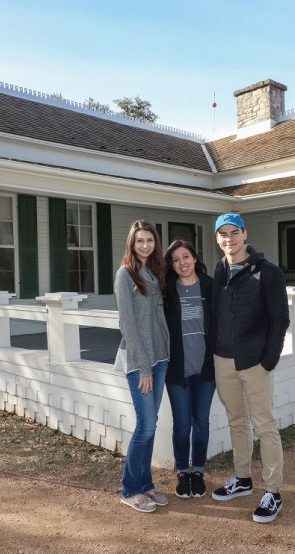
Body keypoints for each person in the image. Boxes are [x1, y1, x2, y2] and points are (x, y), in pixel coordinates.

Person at [210, 213, 290, 524]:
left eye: (234, 233)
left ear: (244, 234)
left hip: (254, 361)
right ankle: (242, 478)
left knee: (264, 426)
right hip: (223, 359)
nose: (229, 239)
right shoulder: (219, 271)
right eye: (223, 234)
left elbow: (279, 318)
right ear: (218, 238)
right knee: (236, 421)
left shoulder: (267, 272)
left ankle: (273, 492)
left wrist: (268, 359)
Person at [114, 220, 170, 513]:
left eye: (149, 240)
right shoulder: (126, 275)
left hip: (160, 359)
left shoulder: (154, 272)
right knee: (145, 426)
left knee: (151, 425)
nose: (145, 245)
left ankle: (145, 484)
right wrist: (144, 368)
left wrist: (164, 358)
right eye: (140, 241)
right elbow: (128, 324)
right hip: (140, 363)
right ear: (132, 244)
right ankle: (130, 489)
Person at [163, 239, 216, 499]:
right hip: (177, 371)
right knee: (182, 424)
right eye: (175, 259)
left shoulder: (210, 286)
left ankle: (199, 472)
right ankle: (183, 471)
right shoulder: (167, 291)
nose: (182, 263)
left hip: (206, 369)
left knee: (202, 423)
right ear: (171, 265)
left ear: (195, 258)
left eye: (186, 256)